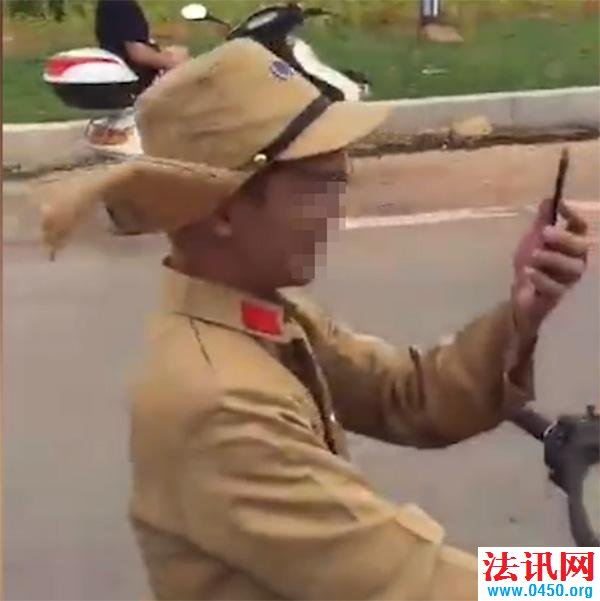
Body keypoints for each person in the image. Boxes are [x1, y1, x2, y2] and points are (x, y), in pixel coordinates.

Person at [37, 39, 589, 600]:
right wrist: (576, 582)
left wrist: (524, 310)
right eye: (321, 184)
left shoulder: (260, 315)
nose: (335, 211)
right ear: (224, 209)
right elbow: (409, 582)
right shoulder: (216, 403)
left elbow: (408, 395)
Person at [95, 0, 188, 93]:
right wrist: (173, 62)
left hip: (124, 77)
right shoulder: (121, 4)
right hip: (136, 84)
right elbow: (138, 54)